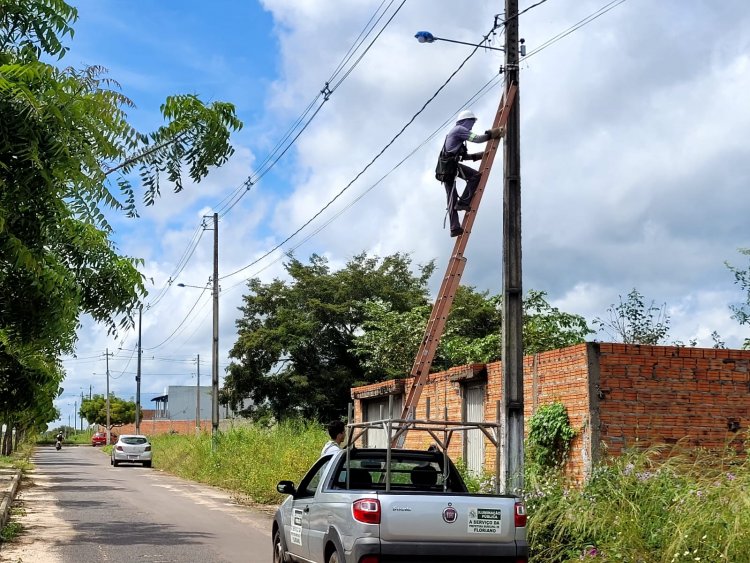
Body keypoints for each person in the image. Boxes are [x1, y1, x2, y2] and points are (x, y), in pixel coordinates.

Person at [435, 109, 504, 237]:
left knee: (451, 198)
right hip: (449, 168)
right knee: (475, 176)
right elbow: (477, 139)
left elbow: (462, 156)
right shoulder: (459, 130)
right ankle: (463, 203)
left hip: (447, 168)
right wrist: (491, 134)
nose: (472, 125)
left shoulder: (455, 133)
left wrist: (478, 156)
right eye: (471, 122)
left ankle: (455, 227)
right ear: (466, 121)